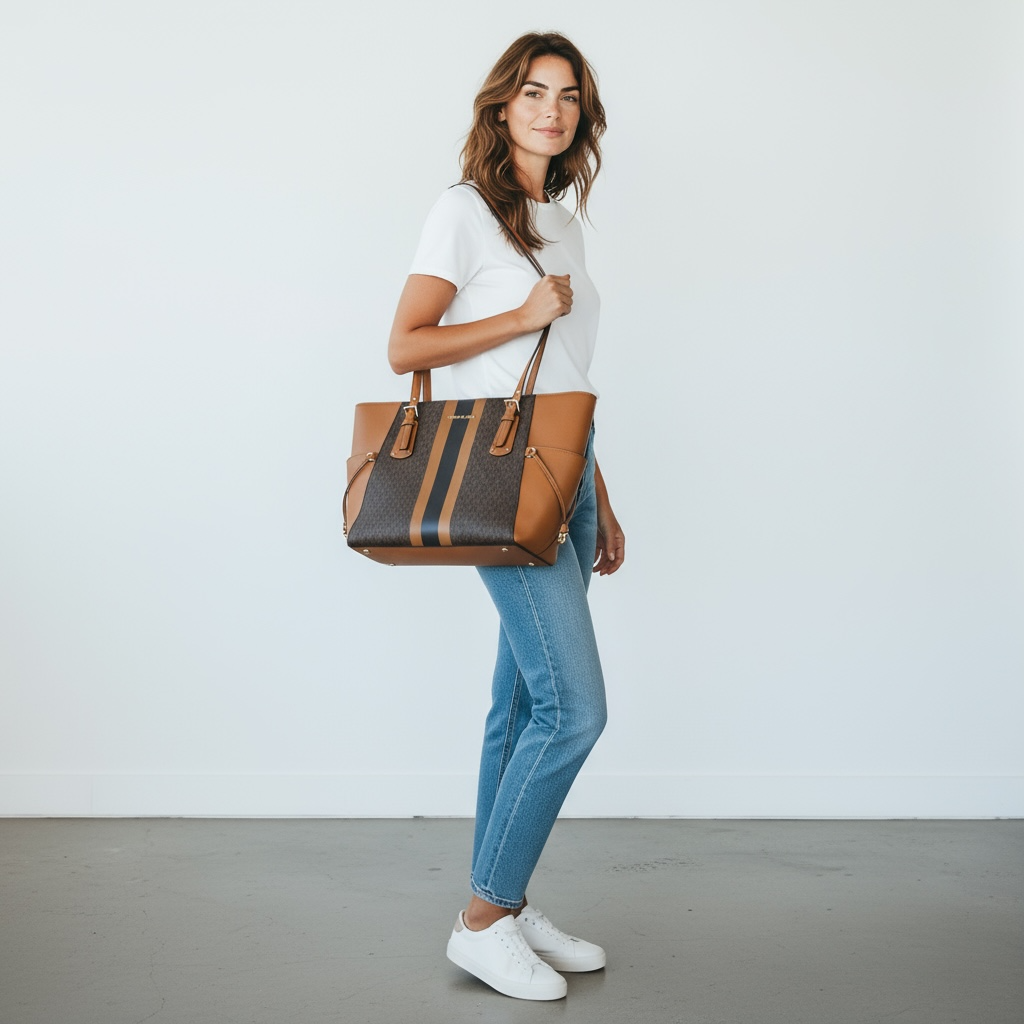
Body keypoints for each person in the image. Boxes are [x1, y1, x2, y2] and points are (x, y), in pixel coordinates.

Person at [388, 32, 625, 1002]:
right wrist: (521, 314)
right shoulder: (463, 211)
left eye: (567, 96)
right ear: (501, 105)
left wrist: (600, 493)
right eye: (533, 92)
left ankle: (507, 904)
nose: (551, 110)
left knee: (524, 705)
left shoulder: (561, 222)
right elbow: (407, 345)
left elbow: (563, 371)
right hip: (503, 479)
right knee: (575, 711)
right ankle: (482, 919)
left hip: (566, 475)